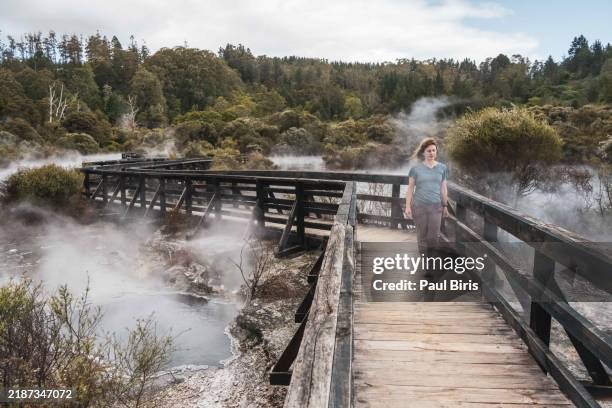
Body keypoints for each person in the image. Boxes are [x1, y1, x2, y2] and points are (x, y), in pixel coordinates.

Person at [404, 138, 449, 255]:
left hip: (436, 206)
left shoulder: (442, 168)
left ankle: (430, 260)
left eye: (434, 150)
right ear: (423, 152)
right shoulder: (415, 169)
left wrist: (445, 205)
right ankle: (425, 261)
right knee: (422, 236)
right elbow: (410, 189)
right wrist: (408, 207)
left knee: (433, 237)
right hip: (419, 206)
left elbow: (443, 188)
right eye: (429, 151)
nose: (431, 153)